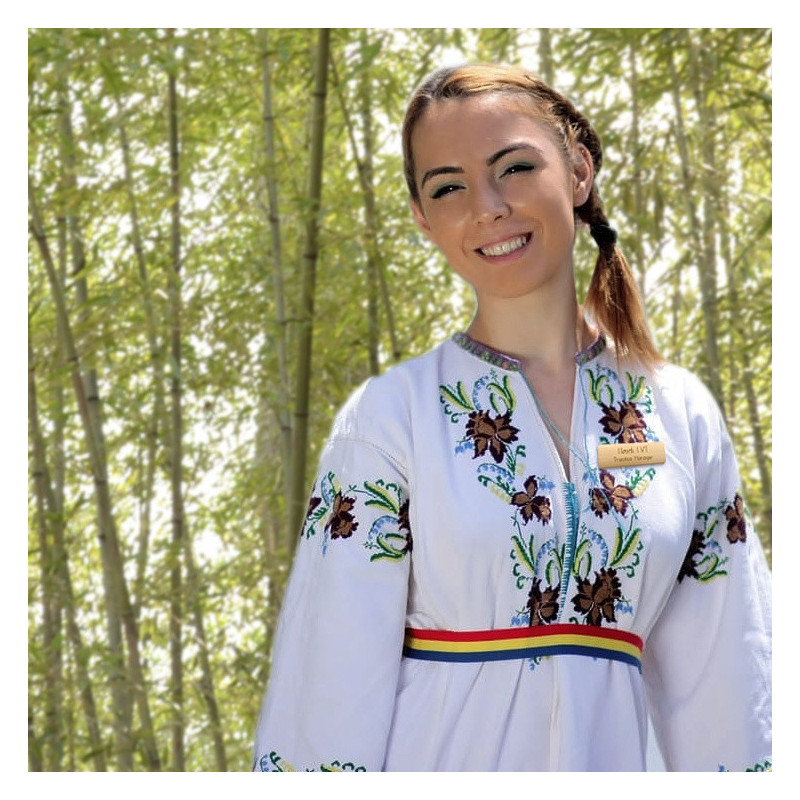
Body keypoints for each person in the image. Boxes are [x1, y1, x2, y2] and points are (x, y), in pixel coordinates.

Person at [252, 63, 772, 772]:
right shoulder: (389, 419)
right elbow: (328, 688)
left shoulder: (680, 416)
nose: (486, 206)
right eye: (448, 187)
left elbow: (731, 686)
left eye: (515, 167)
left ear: (579, 171)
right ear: (421, 217)